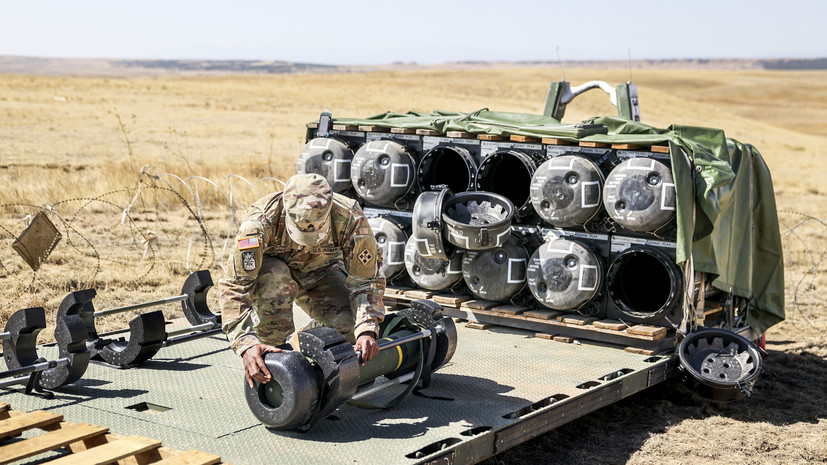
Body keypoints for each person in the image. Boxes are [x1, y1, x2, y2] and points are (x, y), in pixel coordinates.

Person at [218, 173, 385, 387]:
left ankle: (304, 341)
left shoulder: (350, 218)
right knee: (275, 280)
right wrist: (246, 344)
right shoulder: (258, 224)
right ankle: (274, 363)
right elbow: (236, 287)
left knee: (350, 327)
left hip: (320, 268)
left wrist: (367, 329)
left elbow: (366, 280)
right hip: (273, 271)